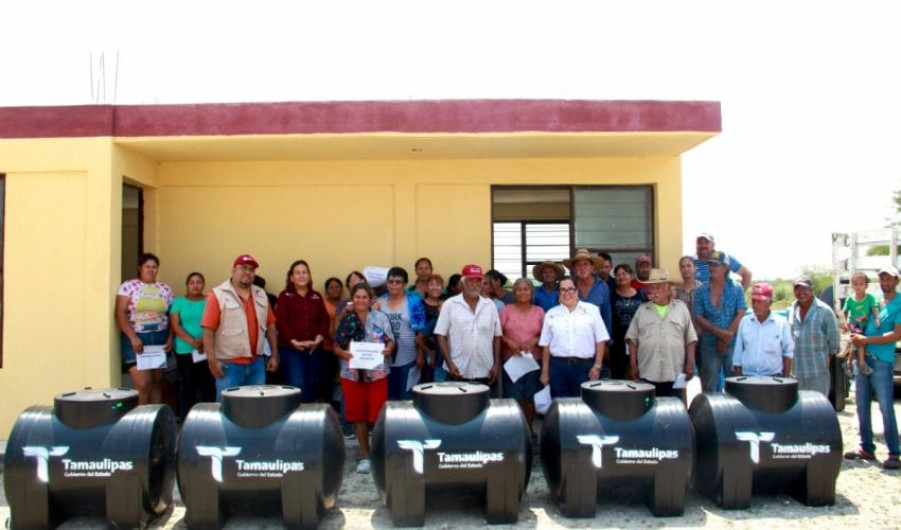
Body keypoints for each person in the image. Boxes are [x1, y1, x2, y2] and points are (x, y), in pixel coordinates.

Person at [333, 283, 396, 474]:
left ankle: (378, 454)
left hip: (377, 374)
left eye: (364, 297)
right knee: (358, 416)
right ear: (353, 299)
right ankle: (365, 456)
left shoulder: (380, 318)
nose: (361, 300)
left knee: (378, 416)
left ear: (370, 299)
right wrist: (343, 354)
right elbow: (336, 345)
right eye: (357, 297)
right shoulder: (346, 319)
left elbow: (391, 340)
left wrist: (389, 349)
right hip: (352, 375)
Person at [202, 254, 279, 400]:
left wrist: (274, 355)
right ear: (233, 270)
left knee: (256, 407)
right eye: (243, 268)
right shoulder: (217, 295)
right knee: (228, 409)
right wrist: (212, 361)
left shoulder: (260, 293)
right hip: (229, 365)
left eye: (251, 269)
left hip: (256, 363)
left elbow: (270, 325)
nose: (247, 272)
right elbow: (208, 330)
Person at [846, 266, 901, 469]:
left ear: (897, 281)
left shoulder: (899, 302)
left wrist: (866, 339)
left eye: (889, 279)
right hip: (863, 358)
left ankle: (894, 452)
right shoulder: (875, 300)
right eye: (882, 279)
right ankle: (866, 447)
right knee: (861, 405)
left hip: (881, 361)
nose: (885, 282)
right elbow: (861, 316)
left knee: (886, 407)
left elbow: (896, 335)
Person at [626, 268, 697, 397]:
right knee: (648, 410)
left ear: (669, 289)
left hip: (675, 371)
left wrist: (690, 363)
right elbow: (632, 339)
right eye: (652, 288)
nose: (655, 291)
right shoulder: (642, 310)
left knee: (675, 408)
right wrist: (632, 364)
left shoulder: (681, 308)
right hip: (647, 372)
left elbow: (690, 338)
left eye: (659, 287)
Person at [115, 253, 174, 405]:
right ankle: (140, 421)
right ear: (140, 268)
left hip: (159, 338)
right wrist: (132, 337)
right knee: (143, 384)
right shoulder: (128, 287)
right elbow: (119, 312)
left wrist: (170, 337)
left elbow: (172, 315)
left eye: (154, 267)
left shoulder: (165, 289)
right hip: (136, 338)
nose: (151, 270)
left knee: (156, 383)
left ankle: (155, 420)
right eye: (147, 266)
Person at [539, 276, 610, 398]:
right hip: (558, 368)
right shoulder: (551, 314)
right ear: (559, 293)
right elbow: (546, 346)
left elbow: (601, 340)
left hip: (585, 368)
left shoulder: (592, 310)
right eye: (563, 290)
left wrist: (597, 366)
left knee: (584, 408)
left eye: (570, 289)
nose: (567, 293)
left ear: (577, 291)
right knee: (560, 407)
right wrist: (545, 372)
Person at [434, 264, 502, 387]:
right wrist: (450, 363)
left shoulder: (490, 305)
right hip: (458, 369)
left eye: (478, 280)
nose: (475, 284)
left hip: (485, 369)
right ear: (463, 282)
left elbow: (497, 336)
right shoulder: (449, 305)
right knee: (458, 406)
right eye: (471, 280)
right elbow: (440, 335)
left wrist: (496, 365)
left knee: (482, 405)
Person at [275, 260, 330, 403]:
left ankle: (308, 420)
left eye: (304, 272)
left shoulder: (316, 296)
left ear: (309, 276)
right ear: (291, 277)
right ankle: (295, 420)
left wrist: (318, 339)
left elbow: (324, 320)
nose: (301, 275)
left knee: (312, 384)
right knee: (297, 384)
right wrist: (293, 341)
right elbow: (281, 321)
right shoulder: (285, 296)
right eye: (297, 273)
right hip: (291, 350)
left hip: (313, 349)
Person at [692, 251, 746, 392]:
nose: (712, 268)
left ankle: (736, 412)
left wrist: (726, 337)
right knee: (710, 380)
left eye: (716, 265)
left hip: (732, 342)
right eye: (710, 264)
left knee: (734, 380)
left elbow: (741, 313)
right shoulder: (701, 290)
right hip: (709, 341)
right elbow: (698, 316)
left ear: (725, 268)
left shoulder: (736, 287)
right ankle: (711, 412)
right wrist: (719, 333)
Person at [499, 278, 545, 432]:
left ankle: (529, 430)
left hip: (533, 361)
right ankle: (516, 431)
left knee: (530, 398)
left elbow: (547, 335)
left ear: (532, 292)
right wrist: (509, 343)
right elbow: (497, 333)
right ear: (514, 292)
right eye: (519, 289)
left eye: (526, 289)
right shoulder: (506, 310)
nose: (522, 292)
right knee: (514, 397)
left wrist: (535, 340)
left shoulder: (539, 311)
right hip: (511, 362)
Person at [375, 266, 427, 400]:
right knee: (388, 398)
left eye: (398, 282)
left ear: (404, 284)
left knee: (407, 397)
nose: (394, 285)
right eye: (390, 281)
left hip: (409, 358)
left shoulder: (414, 302)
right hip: (384, 359)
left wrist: (420, 355)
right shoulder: (379, 302)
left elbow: (420, 332)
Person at [170, 272, 215, 419]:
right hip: (185, 350)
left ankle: (208, 417)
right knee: (188, 383)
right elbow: (175, 325)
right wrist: (193, 341)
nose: (195, 285)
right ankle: (187, 418)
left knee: (207, 383)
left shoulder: (210, 300)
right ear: (187, 285)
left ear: (204, 284)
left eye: (199, 282)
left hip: (206, 349)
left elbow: (216, 321)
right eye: (192, 282)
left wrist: (203, 340)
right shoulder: (179, 302)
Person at [787, 275, 840, 397]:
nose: (801, 292)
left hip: (817, 374)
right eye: (797, 289)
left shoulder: (824, 311)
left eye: (804, 289)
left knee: (817, 411)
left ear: (811, 290)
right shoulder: (790, 310)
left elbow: (834, 342)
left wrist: (825, 362)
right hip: (796, 374)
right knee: (798, 412)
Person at [732, 283, 793, 377]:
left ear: (770, 302)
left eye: (760, 301)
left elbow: (788, 353)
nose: (755, 305)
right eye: (753, 301)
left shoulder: (781, 323)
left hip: (773, 378)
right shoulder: (745, 322)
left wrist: (785, 382)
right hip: (748, 376)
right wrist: (739, 380)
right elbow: (738, 354)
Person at [563, 248, 613, 335]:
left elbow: (606, 315)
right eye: (579, 265)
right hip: (572, 338)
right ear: (574, 269)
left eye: (586, 264)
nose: (582, 268)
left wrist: (606, 342)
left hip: (596, 338)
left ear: (592, 268)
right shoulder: (568, 286)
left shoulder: (602, 286)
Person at [610, 264, 646, 379]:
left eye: (624, 274)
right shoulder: (611, 296)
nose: (621, 277)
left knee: (638, 376)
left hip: (639, 342)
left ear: (631, 276)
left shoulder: (641, 295)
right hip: (618, 344)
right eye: (618, 275)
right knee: (618, 378)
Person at [842, 271, 879, 375]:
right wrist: (845, 323)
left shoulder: (869, 298)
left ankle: (848, 363)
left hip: (865, 324)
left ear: (866, 285)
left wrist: (877, 319)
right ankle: (862, 364)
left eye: (861, 284)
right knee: (860, 341)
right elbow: (844, 311)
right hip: (854, 324)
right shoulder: (850, 299)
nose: (858, 286)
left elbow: (874, 308)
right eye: (855, 284)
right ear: (851, 285)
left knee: (855, 344)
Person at [420, 274, 445, 383]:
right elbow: (417, 333)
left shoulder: (447, 305)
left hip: (443, 354)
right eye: (431, 285)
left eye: (438, 285)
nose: (435, 287)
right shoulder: (420, 305)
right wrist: (421, 354)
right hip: (425, 351)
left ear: (442, 288)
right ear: (426, 288)